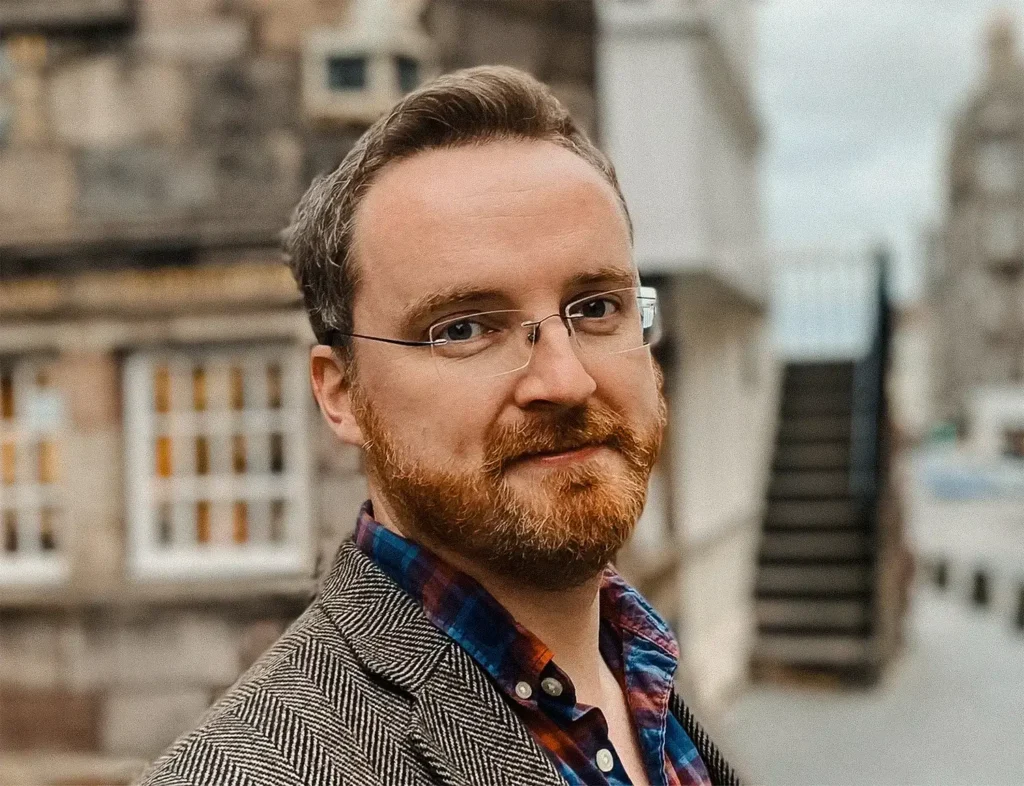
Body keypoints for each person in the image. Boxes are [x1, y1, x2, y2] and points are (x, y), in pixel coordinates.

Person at [138, 65, 739, 786]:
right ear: (341, 394)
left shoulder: (646, 669)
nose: (566, 380)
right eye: (464, 329)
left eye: (596, 308)